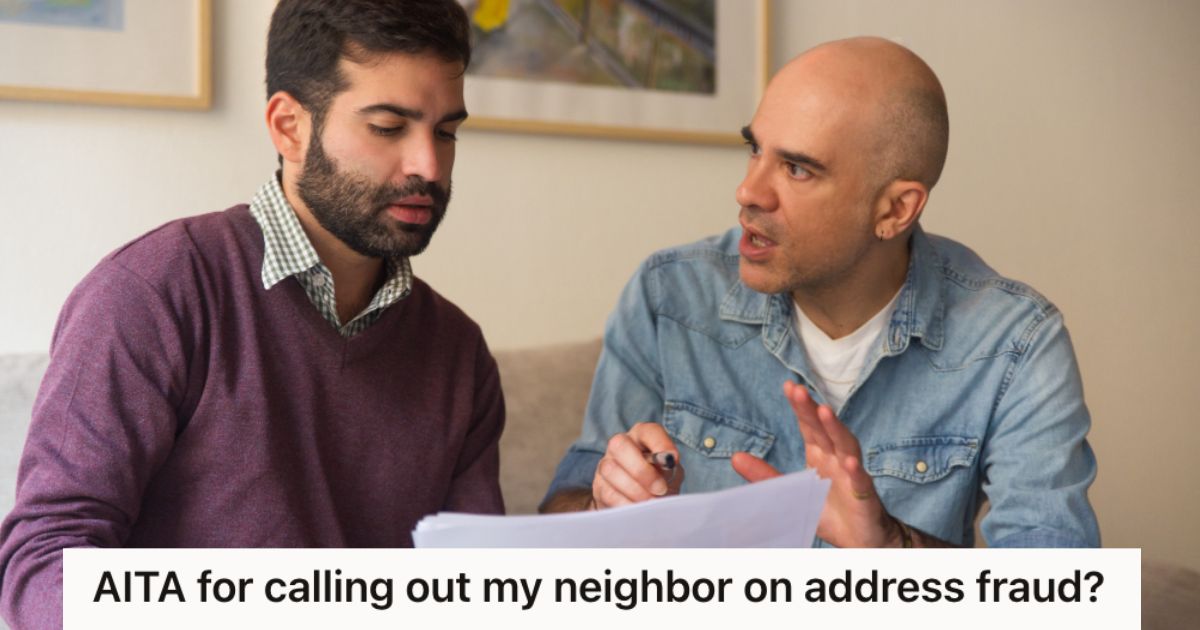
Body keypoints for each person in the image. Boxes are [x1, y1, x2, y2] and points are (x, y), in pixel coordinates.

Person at [0, 1, 504, 626]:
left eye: (446, 131)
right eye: (388, 126)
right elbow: (45, 565)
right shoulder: (154, 292)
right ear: (289, 125)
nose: (428, 165)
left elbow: (478, 588)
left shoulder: (458, 353)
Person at [541, 37, 1099, 549]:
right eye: (754, 149)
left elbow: (1062, 594)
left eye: (798, 169)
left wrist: (886, 546)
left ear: (894, 210)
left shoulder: (1014, 342)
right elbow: (560, 518)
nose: (748, 190)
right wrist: (603, 502)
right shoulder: (670, 297)